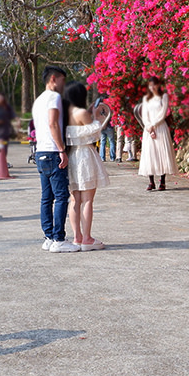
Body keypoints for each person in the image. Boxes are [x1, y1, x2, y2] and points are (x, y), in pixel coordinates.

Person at [33, 67, 78, 252]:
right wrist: (62, 150)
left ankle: (49, 237)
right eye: (62, 80)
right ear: (53, 78)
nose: (63, 85)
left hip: (40, 151)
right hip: (52, 152)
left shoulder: (38, 100)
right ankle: (59, 239)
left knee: (46, 198)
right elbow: (52, 124)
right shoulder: (53, 98)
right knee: (61, 196)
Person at [64, 83, 111, 251]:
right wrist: (97, 116)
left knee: (74, 199)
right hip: (84, 155)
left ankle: (76, 236)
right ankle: (87, 238)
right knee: (88, 200)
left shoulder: (64, 114)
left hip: (71, 156)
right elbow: (95, 132)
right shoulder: (81, 112)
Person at [138, 77, 177, 191]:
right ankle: (151, 182)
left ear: (158, 85)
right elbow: (144, 115)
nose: (152, 87)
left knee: (161, 153)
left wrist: (153, 125)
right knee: (150, 154)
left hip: (160, 128)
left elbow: (163, 113)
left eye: (154, 85)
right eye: (150, 85)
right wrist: (148, 126)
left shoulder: (163, 97)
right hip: (149, 129)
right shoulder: (146, 99)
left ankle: (162, 181)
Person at [0, 93, 16, 159]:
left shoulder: (7, 106)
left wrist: (17, 119)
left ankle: (3, 160)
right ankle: (0, 160)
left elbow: (13, 114)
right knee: (1, 146)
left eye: (1, 98)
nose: (0, 99)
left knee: (5, 146)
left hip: (6, 130)